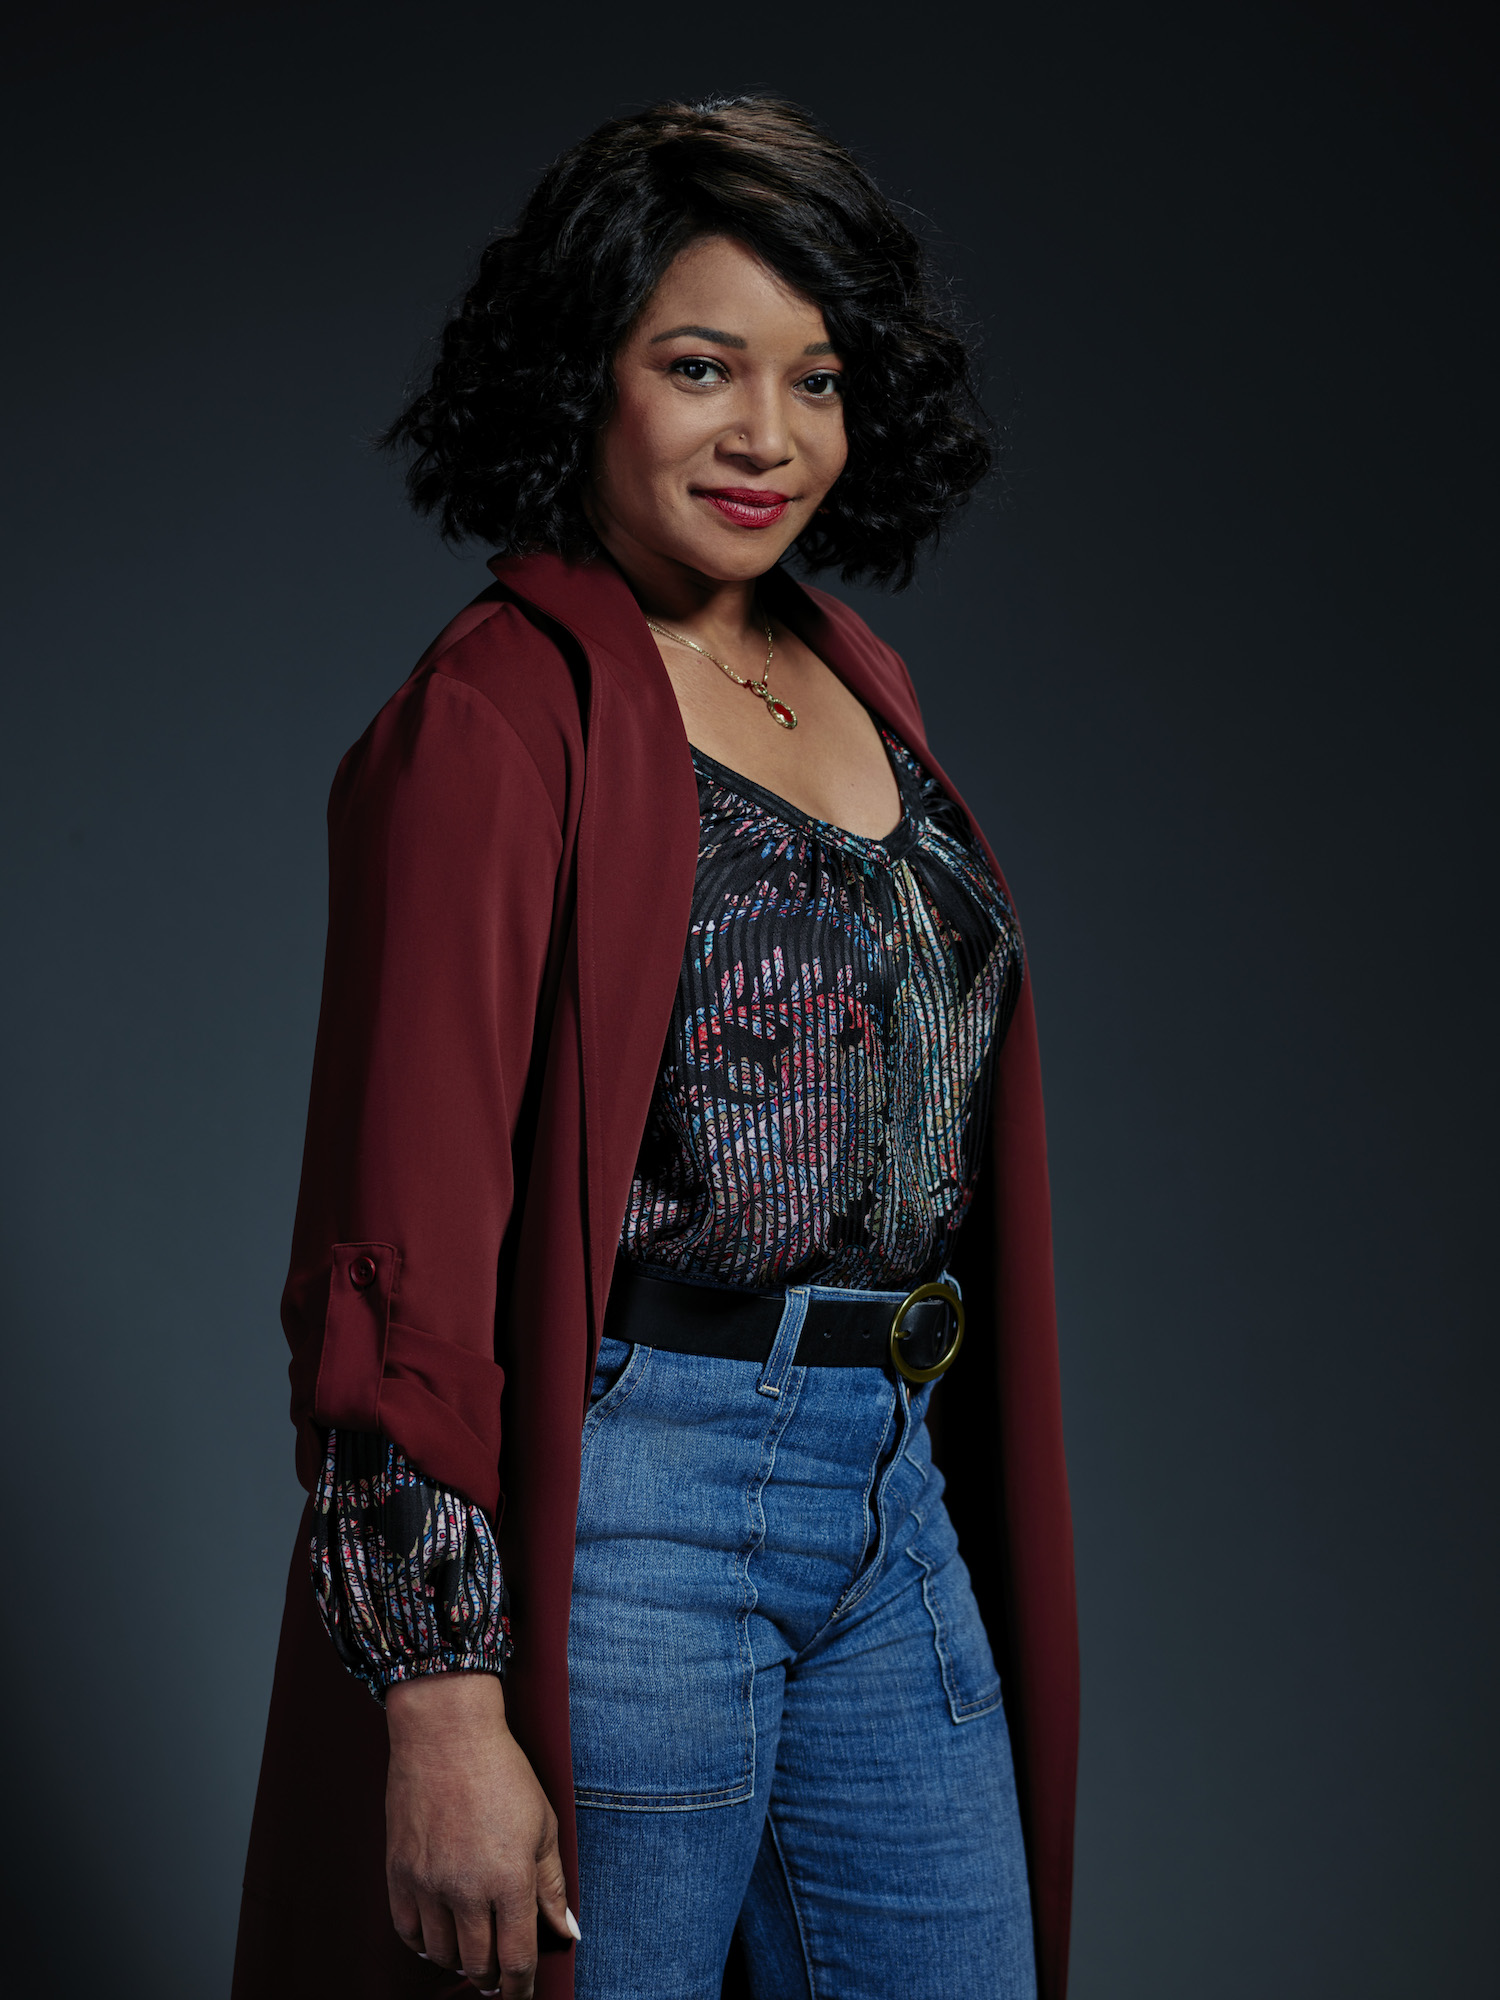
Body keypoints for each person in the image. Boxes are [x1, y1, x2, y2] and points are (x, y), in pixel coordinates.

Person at [233, 96, 1077, 2000]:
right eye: (702, 368)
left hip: (889, 1497)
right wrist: (442, 1704)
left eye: (817, 378)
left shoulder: (855, 672)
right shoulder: (495, 714)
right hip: (639, 1523)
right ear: (583, 375)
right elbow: (392, 1249)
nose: (768, 435)